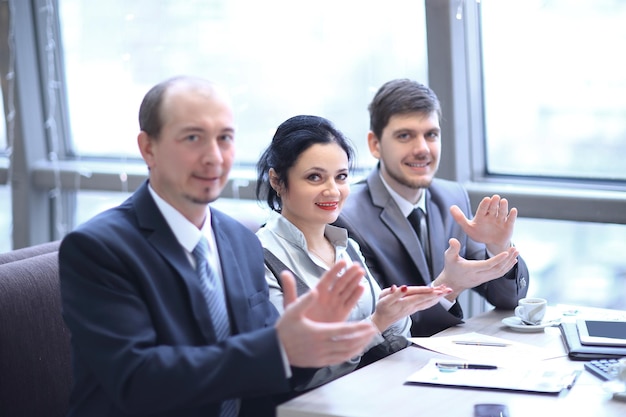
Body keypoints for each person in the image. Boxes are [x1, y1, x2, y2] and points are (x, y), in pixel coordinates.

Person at [58, 76, 378, 417]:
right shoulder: (98, 248)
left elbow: (272, 371)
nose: (214, 157)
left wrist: (308, 342)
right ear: (148, 148)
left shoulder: (240, 241)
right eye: (193, 138)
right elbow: (139, 380)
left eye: (224, 138)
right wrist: (279, 348)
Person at [255, 114, 452, 389]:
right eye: (315, 177)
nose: (332, 191)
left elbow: (393, 343)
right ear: (277, 181)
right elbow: (297, 373)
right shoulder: (260, 257)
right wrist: (375, 324)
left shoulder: (348, 247)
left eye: (341, 177)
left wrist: (395, 314)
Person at [334, 78, 529, 336]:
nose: (422, 149)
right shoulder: (346, 216)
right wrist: (449, 286)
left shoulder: (452, 196)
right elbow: (381, 324)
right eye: (405, 136)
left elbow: (509, 301)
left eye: (431, 135)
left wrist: (499, 250)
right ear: (375, 145)